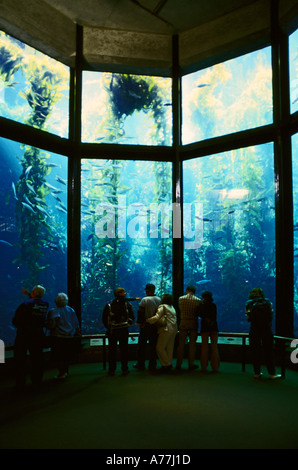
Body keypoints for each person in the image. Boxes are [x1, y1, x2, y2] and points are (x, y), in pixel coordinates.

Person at [12, 285, 49, 391]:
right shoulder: (45, 304)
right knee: (37, 358)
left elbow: (16, 320)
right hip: (38, 335)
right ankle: (37, 382)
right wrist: (30, 295)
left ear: (33, 293)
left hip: (24, 335)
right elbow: (35, 304)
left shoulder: (25, 304)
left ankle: (20, 383)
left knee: (20, 359)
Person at [245, 288, 282, 379]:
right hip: (266, 329)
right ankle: (272, 373)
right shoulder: (267, 302)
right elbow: (270, 316)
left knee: (255, 350)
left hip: (254, 329)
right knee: (268, 351)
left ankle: (257, 373)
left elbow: (248, 317)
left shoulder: (249, 303)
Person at [47, 293, 81, 380]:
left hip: (58, 337)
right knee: (66, 356)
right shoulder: (71, 310)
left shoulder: (54, 311)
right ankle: (66, 372)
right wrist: (77, 332)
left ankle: (61, 373)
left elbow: (52, 325)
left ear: (56, 301)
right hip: (69, 337)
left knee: (59, 357)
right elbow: (76, 323)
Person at [102, 287, 135, 376]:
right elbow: (132, 317)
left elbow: (104, 319)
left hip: (114, 330)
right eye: (122, 293)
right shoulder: (127, 304)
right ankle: (123, 369)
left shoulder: (109, 304)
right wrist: (128, 323)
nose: (124, 294)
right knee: (122, 350)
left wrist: (109, 327)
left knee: (114, 350)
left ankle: (113, 370)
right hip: (122, 330)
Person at [147, 293, 177, 372]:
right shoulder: (172, 307)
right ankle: (168, 363)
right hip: (174, 329)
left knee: (159, 348)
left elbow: (157, 317)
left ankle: (166, 364)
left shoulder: (162, 306)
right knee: (169, 348)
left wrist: (148, 320)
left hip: (166, 329)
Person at [133, 284, 161, 371]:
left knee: (142, 346)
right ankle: (152, 364)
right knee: (153, 346)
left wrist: (140, 323)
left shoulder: (145, 299)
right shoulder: (159, 299)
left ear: (147, 290)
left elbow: (140, 313)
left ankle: (141, 364)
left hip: (145, 325)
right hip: (155, 325)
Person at [176, 286, 202, 370]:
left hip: (183, 322)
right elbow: (198, 312)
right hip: (193, 323)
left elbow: (180, 309)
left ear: (187, 290)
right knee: (192, 344)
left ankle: (178, 364)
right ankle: (191, 364)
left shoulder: (181, 299)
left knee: (181, 344)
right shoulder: (198, 300)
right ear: (194, 291)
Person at [198, 291, 220, 373]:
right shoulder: (214, 305)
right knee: (214, 347)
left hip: (205, 328)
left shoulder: (202, 306)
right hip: (214, 327)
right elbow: (214, 316)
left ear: (203, 297)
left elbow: (200, 314)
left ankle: (204, 367)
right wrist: (211, 322)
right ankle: (215, 367)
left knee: (204, 348)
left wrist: (206, 319)